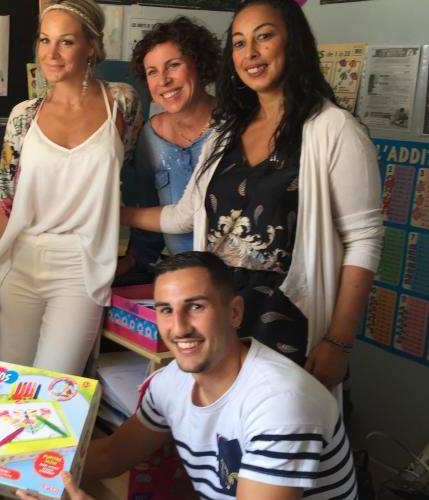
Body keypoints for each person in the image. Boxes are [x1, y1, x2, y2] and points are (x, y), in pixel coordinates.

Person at [121, 0, 383, 389]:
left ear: (292, 42)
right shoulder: (226, 134)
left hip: (288, 319)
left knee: (280, 435)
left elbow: (363, 241)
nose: (251, 54)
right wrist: (111, 213)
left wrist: (338, 341)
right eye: (240, 43)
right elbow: (185, 215)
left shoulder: (333, 129)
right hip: (220, 320)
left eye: (264, 36)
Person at [30, 252, 357, 500]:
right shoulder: (169, 383)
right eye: (166, 310)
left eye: (196, 307)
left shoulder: (281, 404)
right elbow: (112, 455)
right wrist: (15, 461)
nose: (180, 328)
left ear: (235, 312)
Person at [0, 0, 143, 375]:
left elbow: (125, 174)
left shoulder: (122, 103)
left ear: (92, 46)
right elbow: (6, 200)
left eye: (65, 42)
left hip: (82, 263)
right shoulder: (23, 116)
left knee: (56, 386)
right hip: (23, 258)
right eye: (44, 40)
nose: (50, 53)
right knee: (11, 380)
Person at [118, 17, 220, 277]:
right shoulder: (151, 136)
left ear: (199, 65)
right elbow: (146, 209)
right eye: (152, 72)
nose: (163, 80)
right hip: (180, 278)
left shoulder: (234, 126)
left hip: (233, 280)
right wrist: (133, 263)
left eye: (173, 65)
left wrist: (112, 214)